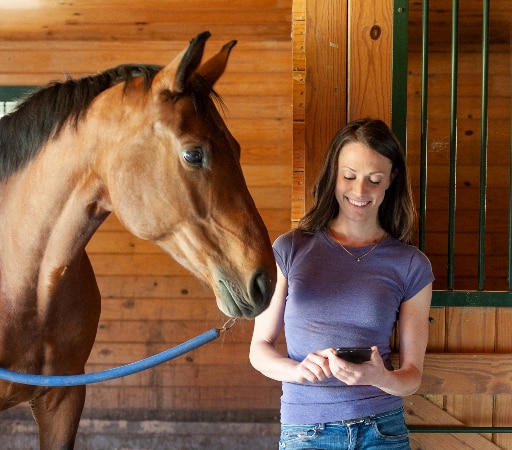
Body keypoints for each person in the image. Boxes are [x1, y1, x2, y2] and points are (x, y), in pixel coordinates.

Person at [249, 118, 434, 449]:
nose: (359, 192)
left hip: (382, 430)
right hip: (307, 431)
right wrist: (297, 370)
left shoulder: (411, 264)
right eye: (349, 176)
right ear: (333, 174)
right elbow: (259, 348)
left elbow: (412, 377)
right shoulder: (290, 249)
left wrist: (381, 378)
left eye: (374, 180)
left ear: (392, 179)